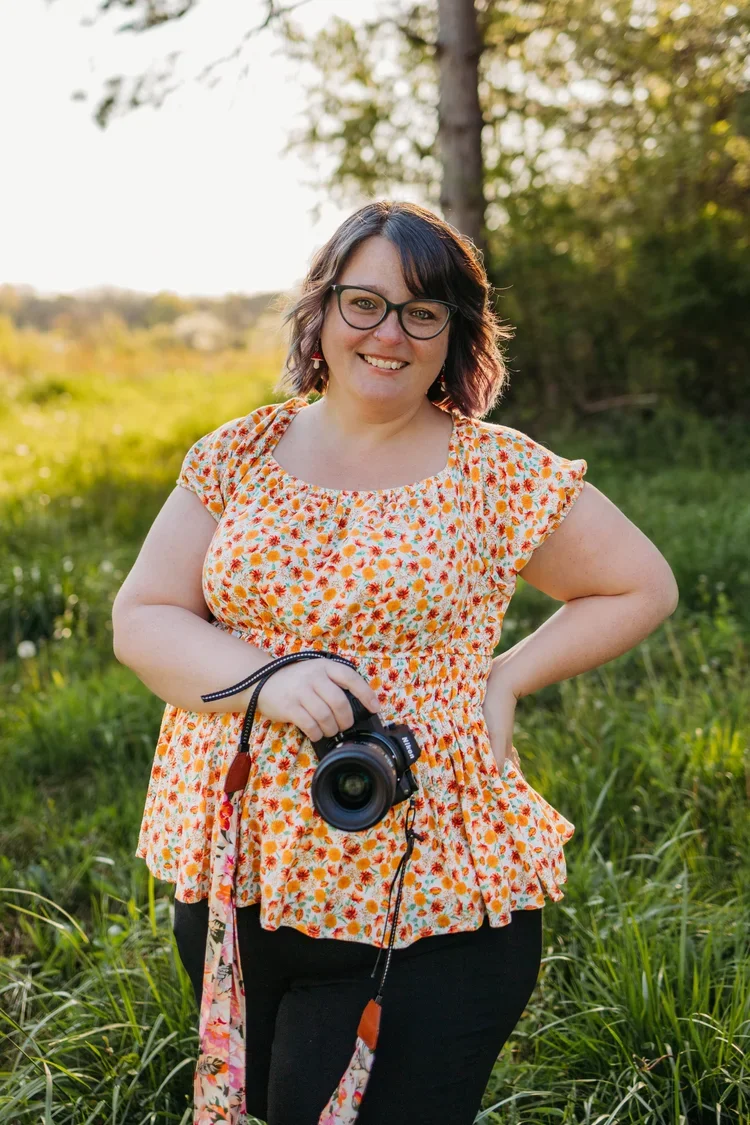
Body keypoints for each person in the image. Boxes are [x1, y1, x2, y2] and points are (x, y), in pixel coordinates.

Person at [112, 200, 679, 1125]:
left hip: (424, 895)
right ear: (323, 309)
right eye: (365, 303)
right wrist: (268, 679)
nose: (389, 334)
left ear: (454, 333)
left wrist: (506, 674)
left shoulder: (493, 471)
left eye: (422, 313)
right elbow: (143, 616)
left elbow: (640, 585)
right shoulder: (240, 453)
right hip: (242, 868)